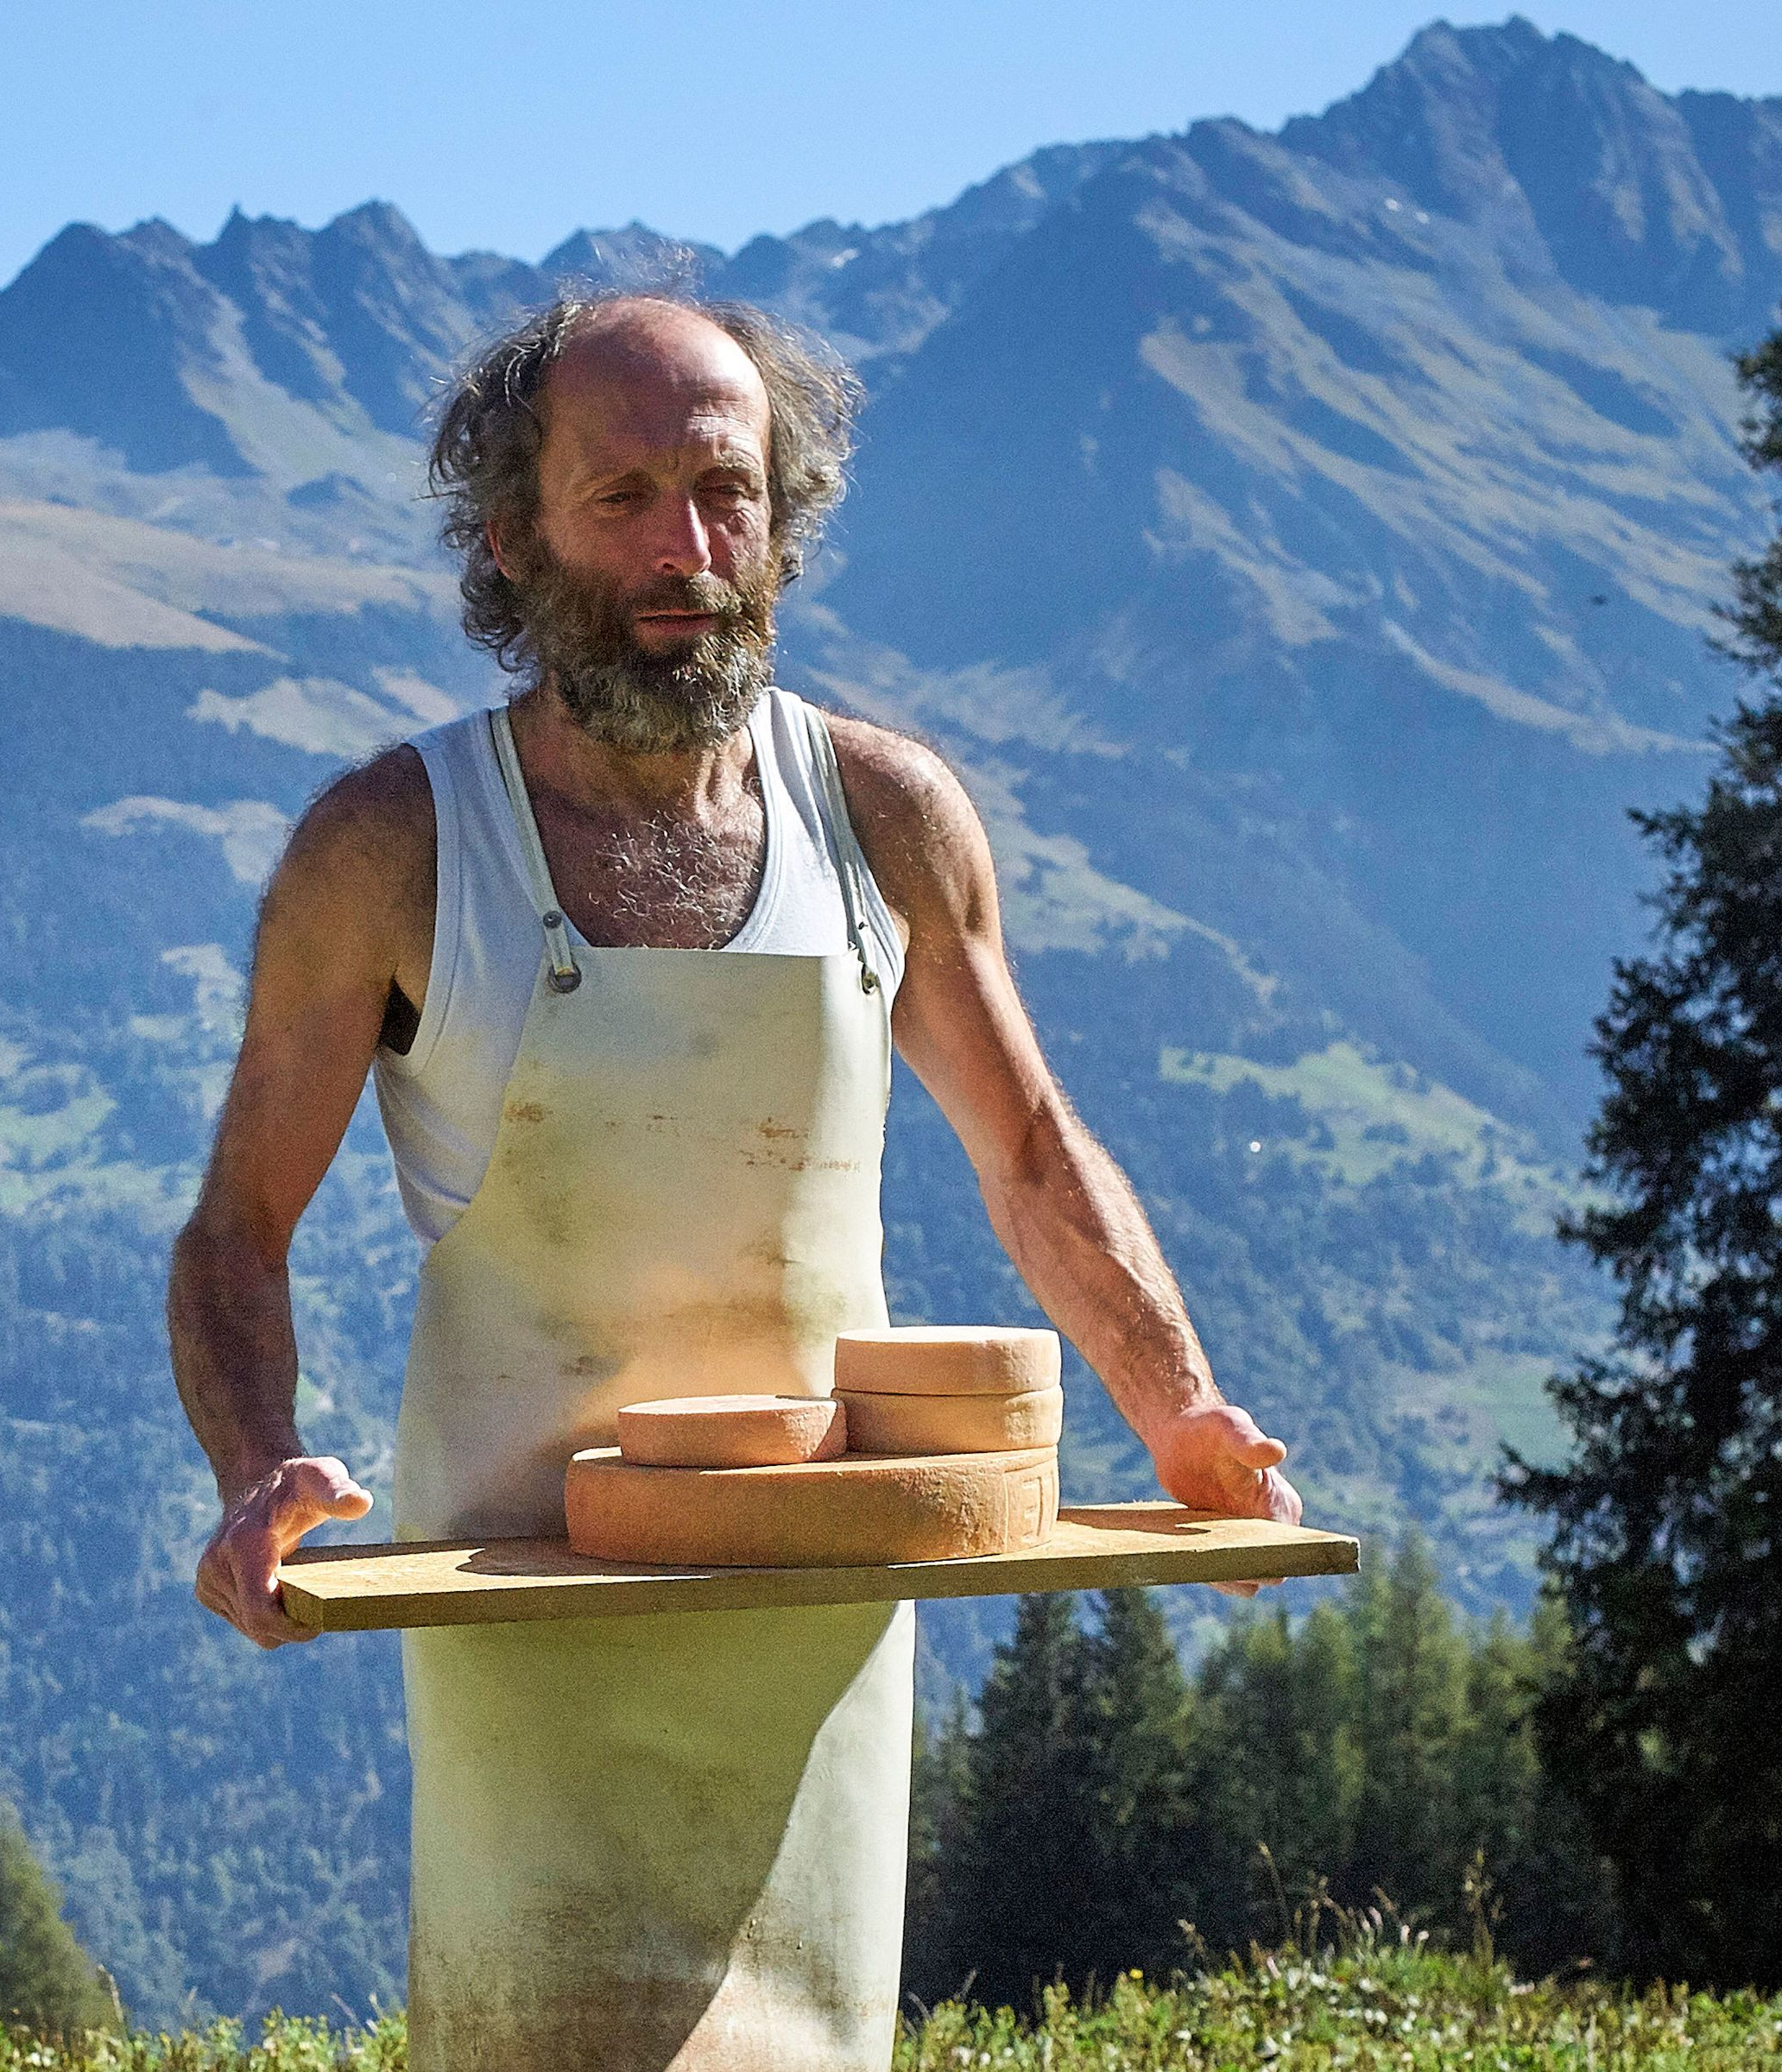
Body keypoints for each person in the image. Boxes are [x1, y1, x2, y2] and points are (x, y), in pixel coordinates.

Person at [165, 291, 1301, 2070]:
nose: (685, 550)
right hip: (518, 1598)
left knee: (813, 2038)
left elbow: (1027, 1156)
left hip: (815, 1593)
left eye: (726, 490)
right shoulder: (389, 848)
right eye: (620, 497)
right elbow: (238, 1231)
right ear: (506, 534)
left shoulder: (889, 818)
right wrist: (251, 1477)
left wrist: (1182, 1412)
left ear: (785, 516)